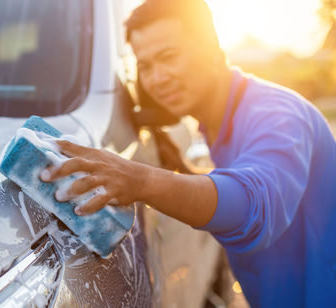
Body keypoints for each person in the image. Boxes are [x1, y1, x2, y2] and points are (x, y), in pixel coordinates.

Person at [39, 0, 336, 306]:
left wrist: (141, 180)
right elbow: (246, 181)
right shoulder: (222, 120)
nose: (157, 79)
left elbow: (256, 208)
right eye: (145, 66)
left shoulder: (277, 115)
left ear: (212, 48)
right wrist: (181, 172)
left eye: (169, 57)